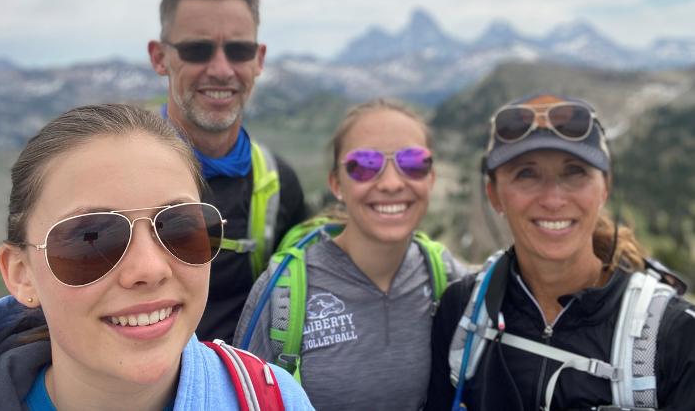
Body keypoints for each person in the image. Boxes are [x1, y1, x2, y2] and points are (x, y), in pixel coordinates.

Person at [0, 104, 314, 411]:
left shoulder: (272, 399)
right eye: (90, 238)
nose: (150, 268)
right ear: (22, 274)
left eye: (180, 228)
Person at [425, 94, 695, 411]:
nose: (553, 200)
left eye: (574, 171)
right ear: (495, 196)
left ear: (604, 188)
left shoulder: (675, 337)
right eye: (526, 173)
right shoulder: (460, 310)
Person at [235, 99, 470, 411]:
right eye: (364, 165)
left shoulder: (447, 276)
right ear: (337, 184)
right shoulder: (283, 293)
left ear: (431, 179)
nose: (390, 183)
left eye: (413, 163)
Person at [148, 0, 307, 343]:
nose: (221, 69)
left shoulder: (279, 183)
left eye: (238, 50)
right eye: (197, 50)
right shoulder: (114, 174)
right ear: (160, 57)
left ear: (259, 59)